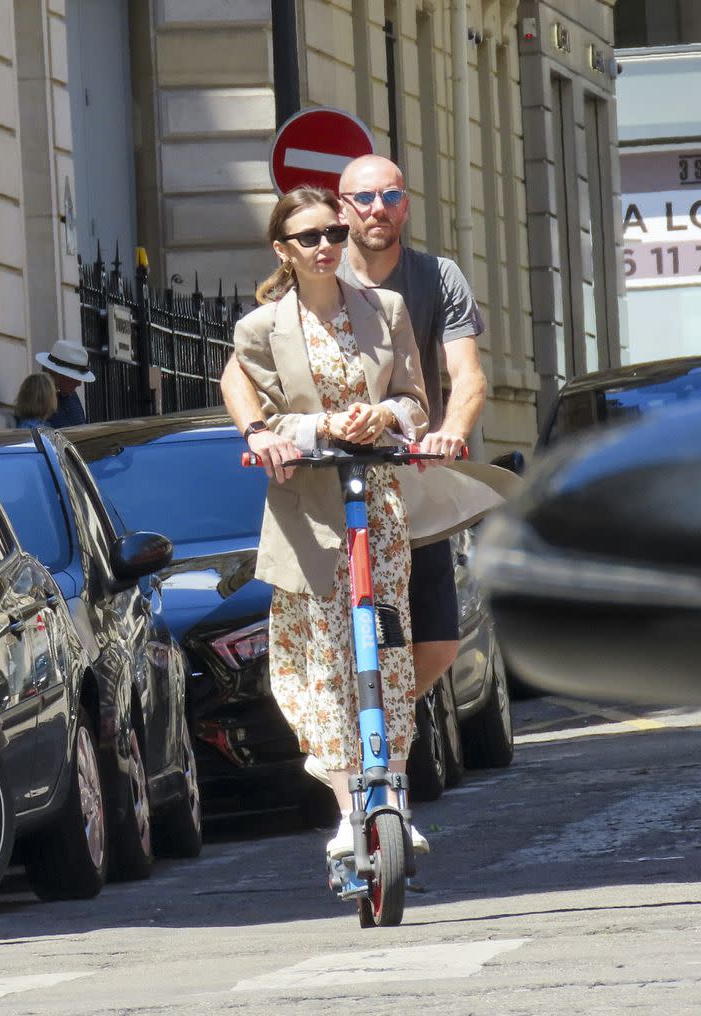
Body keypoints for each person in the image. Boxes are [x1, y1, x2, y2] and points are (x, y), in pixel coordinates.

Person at [221, 155, 488, 709]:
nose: (377, 210)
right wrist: (256, 433)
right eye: (363, 199)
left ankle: (382, 722)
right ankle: (365, 744)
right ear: (342, 208)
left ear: (406, 205)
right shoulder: (317, 270)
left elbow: (466, 377)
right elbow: (237, 371)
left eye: (391, 197)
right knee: (339, 638)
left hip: (408, 471)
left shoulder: (435, 278)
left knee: (436, 642)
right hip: (327, 484)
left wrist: (446, 435)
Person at [233, 185, 430, 858]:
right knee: (327, 664)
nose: (326, 248)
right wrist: (320, 425)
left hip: (378, 506)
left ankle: (395, 800)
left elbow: (415, 401)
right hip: (308, 516)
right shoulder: (260, 329)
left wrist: (385, 417)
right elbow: (259, 413)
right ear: (283, 250)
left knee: (388, 654)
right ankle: (352, 810)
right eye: (310, 238)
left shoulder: (388, 308)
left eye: (335, 235)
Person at [35, 339, 96, 427]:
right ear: (59, 375)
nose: (79, 384)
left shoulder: (71, 396)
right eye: (75, 378)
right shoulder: (37, 399)